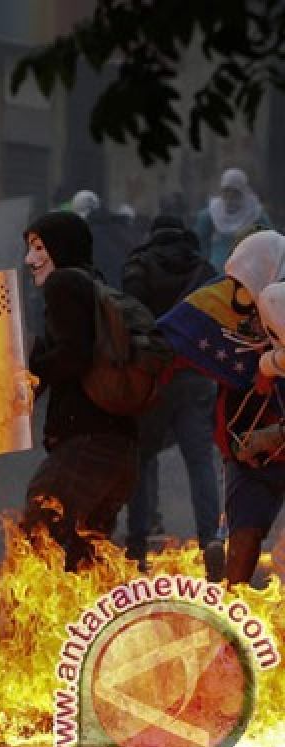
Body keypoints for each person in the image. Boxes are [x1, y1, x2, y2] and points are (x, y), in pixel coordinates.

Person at [157, 230, 285, 584]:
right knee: (242, 540)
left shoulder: (279, 301)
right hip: (246, 441)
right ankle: (234, 624)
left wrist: (269, 369)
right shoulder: (223, 299)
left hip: (269, 437)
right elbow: (171, 342)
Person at [21, 210, 140, 571]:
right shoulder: (94, 283)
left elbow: (74, 355)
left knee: (39, 529)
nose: (30, 260)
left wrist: (29, 377)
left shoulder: (65, 284)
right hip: (119, 449)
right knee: (85, 559)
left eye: (39, 248)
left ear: (62, 248)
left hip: (88, 445)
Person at [121, 216, 221, 577]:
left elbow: (127, 321)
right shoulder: (203, 268)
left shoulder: (139, 268)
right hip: (196, 375)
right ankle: (211, 539)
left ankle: (136, 543)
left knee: (144, 460)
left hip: (154, 379)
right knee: (200, 463)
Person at [195, 168, 272, 268]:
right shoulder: (211, 214)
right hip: (216, 270)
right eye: (227, 191)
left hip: (246, 270)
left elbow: (269, 242)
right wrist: (203, 264)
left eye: (235, 191)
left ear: (243, 191)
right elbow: (199, 242)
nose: (230, 195)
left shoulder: (255, 214)